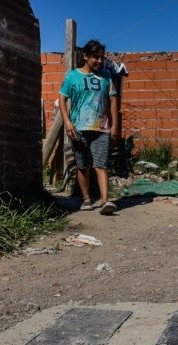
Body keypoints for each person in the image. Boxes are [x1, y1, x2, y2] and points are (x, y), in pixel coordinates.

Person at [58, 39, 120, 215]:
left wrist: (114, 125)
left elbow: (113, 101)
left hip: (101, 128)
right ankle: (86, 200)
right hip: (78, 128)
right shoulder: (72, 76)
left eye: (101, 57)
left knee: (101, 165)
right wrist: (67, 122)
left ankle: (105, 202)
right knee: (83, 166)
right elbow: (62, 99)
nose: (99, 61)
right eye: (95, 57)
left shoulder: (106, 77)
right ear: (85, 56)